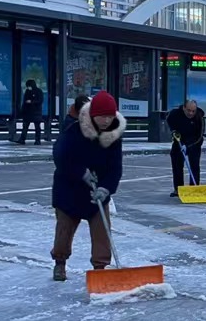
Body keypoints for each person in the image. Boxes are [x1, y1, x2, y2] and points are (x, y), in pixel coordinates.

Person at [51, 90, 125, 281]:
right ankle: (60, 263)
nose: (106, 120)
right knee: (64, 230)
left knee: (102, 230)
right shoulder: (74, 131)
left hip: (97, 190)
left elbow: (115, 167)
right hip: (69, 189)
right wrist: (81, 173)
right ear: (93, 114)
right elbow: (61, 156)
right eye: (102, 116)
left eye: (110, 116)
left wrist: (105, 189)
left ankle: (100, 268)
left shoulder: (114, 136)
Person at [166, 99, 206, 197]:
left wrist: (188, 146)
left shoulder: (199, 117)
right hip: (179, 140)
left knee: (194, 166)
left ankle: (194, 188)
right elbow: (169, 120)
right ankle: (178, 189)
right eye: (188, 110)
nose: (191, 113)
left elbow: (200, 136)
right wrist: (173, 130)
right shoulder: (175, 114)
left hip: (194, 142)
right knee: (177, 165)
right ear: (184, 108)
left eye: (193, 111)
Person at [15, 79, 45, 145]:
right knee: (26, 126)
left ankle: (37, 140)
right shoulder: (28, 91)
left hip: (35, 112)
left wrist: (31, 102)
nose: (28, 87)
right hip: (30, 112)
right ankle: (23, 139)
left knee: (36, 127)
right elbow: (25, 101)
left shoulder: (38, 91)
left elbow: (40, 100)